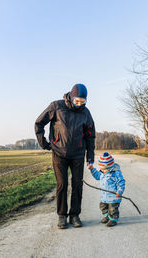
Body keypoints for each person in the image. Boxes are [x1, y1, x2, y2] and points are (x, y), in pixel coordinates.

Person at [35, 83, 95, 229]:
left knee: (77, 185)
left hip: (78, 155)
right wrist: (45, 144)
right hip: (59, 153)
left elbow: (90, 136)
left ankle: (75, 215)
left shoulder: (85, 113)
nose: (80, 104)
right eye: (77, 101)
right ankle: (62, 215)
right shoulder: (56, 106)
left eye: (83, 101)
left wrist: (90, 157)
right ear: (71, 96)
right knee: (62, 184)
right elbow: (39, 123)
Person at [87, 152, 125, 227]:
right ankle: (107, 216)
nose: (103, 171)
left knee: (113, 208)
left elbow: (121, 183)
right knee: (102, 206)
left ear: (110, 167)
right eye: (102, 169)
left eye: (105, 169)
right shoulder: (102, 172)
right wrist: (92, 169)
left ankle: (113, 219)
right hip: (104, 196)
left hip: (113, 197)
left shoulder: (116, 173)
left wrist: (119, 192)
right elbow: (97, 176)